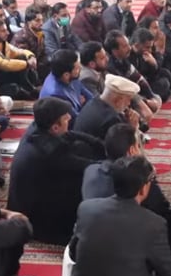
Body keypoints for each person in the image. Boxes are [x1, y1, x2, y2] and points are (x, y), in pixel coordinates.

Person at [81, 123, 171, 256]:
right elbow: (167, 214)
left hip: (93, 244)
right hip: (125, 250)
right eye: (140, 145)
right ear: (132, 150)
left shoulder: (90, 171)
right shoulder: (141, 182)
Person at [7, 97, 105, 244]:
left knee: (82, 148)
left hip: (32, 191)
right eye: (66, 119)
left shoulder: (39, 127)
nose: (70, 118)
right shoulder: (49, 151)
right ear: (55, 127)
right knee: (91, 182)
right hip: (34, 214)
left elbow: (70, 134)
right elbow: (84, 166)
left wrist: (99, 143)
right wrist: (110, 163)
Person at [73, 74, 141, 140]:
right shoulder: (111, 119)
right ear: (118, 100)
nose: (129, 104)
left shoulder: (93, 102)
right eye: (128, 100)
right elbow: (122, 149)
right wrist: (132, 129)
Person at [39, 49, 94, 122]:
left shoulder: (71, 77)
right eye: (77, 68)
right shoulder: (56, 95)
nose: (81, 68)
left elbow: (91, 98)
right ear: (66, 75)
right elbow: (77, 120)